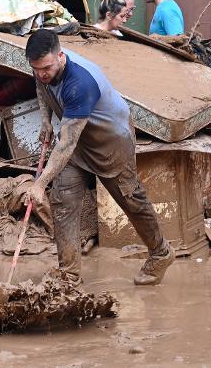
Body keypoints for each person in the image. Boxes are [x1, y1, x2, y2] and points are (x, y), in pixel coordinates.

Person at [23, 28, 174, 286]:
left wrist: (39, 183)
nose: (41, 73)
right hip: (78, 144)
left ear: (60, 56)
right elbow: (41, 86)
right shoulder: (43, 68)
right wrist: (46, 120)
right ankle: (68, 275)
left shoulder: (80, 83)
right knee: (63, 202)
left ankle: (161, 252)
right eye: (36, 68)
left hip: (110, 142)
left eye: (46, 67)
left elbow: (65, 145)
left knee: (131, 201)